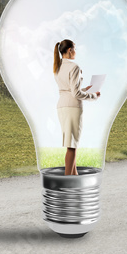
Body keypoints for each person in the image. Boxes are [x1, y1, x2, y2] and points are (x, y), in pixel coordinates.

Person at [53, 39, 100, 175]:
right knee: (72, 146)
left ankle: (75, 176)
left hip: (62, 105)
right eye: (74, 49)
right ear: (69, 50)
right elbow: (76, 93)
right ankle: (68, 179)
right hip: (72, 107)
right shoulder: (74, 67)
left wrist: (86, 88)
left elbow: (69, 89)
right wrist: (93, 96)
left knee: (71, 144)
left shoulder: (57, 66)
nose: (75, 52)